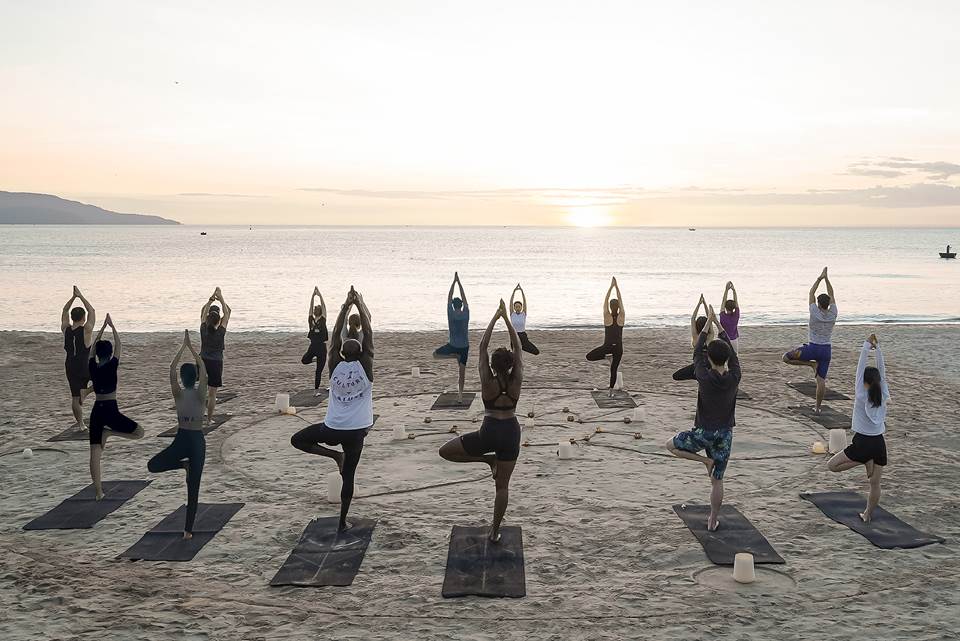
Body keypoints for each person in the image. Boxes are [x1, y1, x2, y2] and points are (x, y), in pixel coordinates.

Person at [291, 287, 374, 531]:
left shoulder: (334, 365)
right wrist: (358, 305)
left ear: (341, 352)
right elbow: (368, 332)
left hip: (333, 428)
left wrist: (346, 306)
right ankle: (341, 522)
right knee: (349, 476)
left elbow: (336, 333)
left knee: (298, 440)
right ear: (361, 352)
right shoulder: (366, 367)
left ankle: (334, 456)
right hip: (357, 431)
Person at [439, 299, 523, 543]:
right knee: (503, 487)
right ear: (511, 364)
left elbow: (482, 347)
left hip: (489, 431)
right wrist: (507, 319)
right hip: (511, 432)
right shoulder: (517, 379)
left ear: (492, 365)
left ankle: (486, 459)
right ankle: (494, 532)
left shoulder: (487, 380)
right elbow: (518, 348)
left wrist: (495, 318)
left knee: (445, 451)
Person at [665, 305, 741, 532]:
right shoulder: (735, 376)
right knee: (717, 481)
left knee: (670, 446)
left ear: (710, 357)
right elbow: (733, 355)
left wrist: (708, 322)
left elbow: (697, 350)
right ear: (727, 358)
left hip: (704, 432)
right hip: (725, 434)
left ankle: (704, 461)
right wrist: (718, 325)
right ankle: (712, 520)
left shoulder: (703, 376)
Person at [148, 330, 209, 539]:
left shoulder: (182, 393)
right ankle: (184, 466)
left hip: (190, 439)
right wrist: (191, 349)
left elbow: (171, 369)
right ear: (195, 378)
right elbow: (203, 369)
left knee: (192, 485)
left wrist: (184, 348)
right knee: (191, 487)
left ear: (183, 379)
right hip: (189, 439)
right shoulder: (196, 394)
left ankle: (188, 530)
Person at [827, 333, 890, 523]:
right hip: (879, 443)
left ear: (864, 382)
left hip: (862, 443)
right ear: (878, 381)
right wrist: (877, 349)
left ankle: (863, 460)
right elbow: (882, 370)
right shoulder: (884, 393)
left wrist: (866, 346)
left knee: (832, 466)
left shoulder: (861, 395)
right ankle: (867, 515)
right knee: (875, 484)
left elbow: (860, 368)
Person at [87, 314, 144, 500]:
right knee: (139, 433)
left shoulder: (92, 366)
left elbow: (92, 350)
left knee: (95, 454)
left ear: (98, 354)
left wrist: (102, 330)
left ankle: (98, 492)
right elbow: (119, 345)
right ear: (110, 354)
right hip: (111, 410)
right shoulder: (112, 365)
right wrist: (112, 327)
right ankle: (110, 433)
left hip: (97, 410)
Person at [783, 267, 838, 413]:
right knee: (821, 380)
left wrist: (820, 278)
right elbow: (832, 294)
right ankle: (818, 408)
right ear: (828, 304)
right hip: (826, 351)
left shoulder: (814, 312)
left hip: (812, 349)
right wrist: (827, 279)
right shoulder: (833, 313)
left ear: (818, 304)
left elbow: (811, 293)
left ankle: (811, 364)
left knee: (786, 358)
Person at [61, 286, 96, 430]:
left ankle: (81, 425)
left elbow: (64, 311)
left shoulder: (65, 329)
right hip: (84, 366)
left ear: (72, 318)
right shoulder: (86, 330)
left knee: (75, 398)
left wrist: (73, 298)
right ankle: (86, 392)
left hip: (70, 366)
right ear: (83, 318)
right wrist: (80, 296)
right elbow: (92, 310)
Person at [433, 272, 470, 403]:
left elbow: (449, 297)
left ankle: (453, 356)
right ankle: (460, 395)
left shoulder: (450, 313)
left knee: (435, 355)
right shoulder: (466, 313)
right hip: (464, 347)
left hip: (453, 346)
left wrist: (453, 282)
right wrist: (459, 283)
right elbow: (464, 298)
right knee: (462, 373)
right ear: (462, 305)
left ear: (454, 306)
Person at [586, 276, 625, 396]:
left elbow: (605, 300)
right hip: (618, 348)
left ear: (610, 307)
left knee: (589, 356)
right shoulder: (622, 317)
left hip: (607, 347)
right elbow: (620, 299)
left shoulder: (607, 316)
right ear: (618, 307)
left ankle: (606, 357)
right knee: (614, 369)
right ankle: (611, 392)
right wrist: (616, 286)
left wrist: (611, 287)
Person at [199, 287, 231, 423]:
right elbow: (227, 313)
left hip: (202, 361)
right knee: (212, 394)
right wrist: (221, 297)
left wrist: (211, 299)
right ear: (219, 320)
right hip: (216, 363)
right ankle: (209, 420)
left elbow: (203, 311)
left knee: (201, 391)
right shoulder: (220, 332)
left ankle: (198, 417)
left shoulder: (203, 329)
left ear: (207, 318)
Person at [673, 293, 714, 381]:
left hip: (698, 366)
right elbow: (710, 319)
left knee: (675, 376)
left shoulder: (695, 337)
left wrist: (699, 304)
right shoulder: (710, 337)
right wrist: (705, 304)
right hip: (709, 366)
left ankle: (696, 375)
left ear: (697, 326)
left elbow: (692, 319)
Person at [301, 287, 328, 395]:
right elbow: (310, 306)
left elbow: (324, 306)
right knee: (304, 360)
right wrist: (313, 296)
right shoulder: (311, 319)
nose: (315, 310)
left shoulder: (323, 320)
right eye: (314, 310)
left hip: (321, 347)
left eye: (317, 309)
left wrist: (319, 295)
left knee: (318, 371)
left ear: (320, 312)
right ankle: (315, 360)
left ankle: (316, 391)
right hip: (313, 346)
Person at [510, 283, 540, 355]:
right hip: (514, 335)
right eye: (516, 307)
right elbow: (511, 302)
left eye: (519, 307)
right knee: (515, 354)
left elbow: (524, 301)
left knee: (536, 352)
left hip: (523, 336)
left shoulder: (523, 314)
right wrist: (514, 291)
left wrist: (522, 291)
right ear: (514, 308)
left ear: (521, 307)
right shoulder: (512, 314)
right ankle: (519, 348)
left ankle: (521, 347)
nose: (518, 308)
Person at [719, 281, 740, 352]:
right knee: (735, 356)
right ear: (734, 307)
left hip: (723, 340)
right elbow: (736, 301)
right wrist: (733, 290)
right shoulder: (736, 315)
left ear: (725, 307)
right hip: (733, 339)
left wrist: (726, 290)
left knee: (723, 356)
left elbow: (723, 301)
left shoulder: (723, 316)